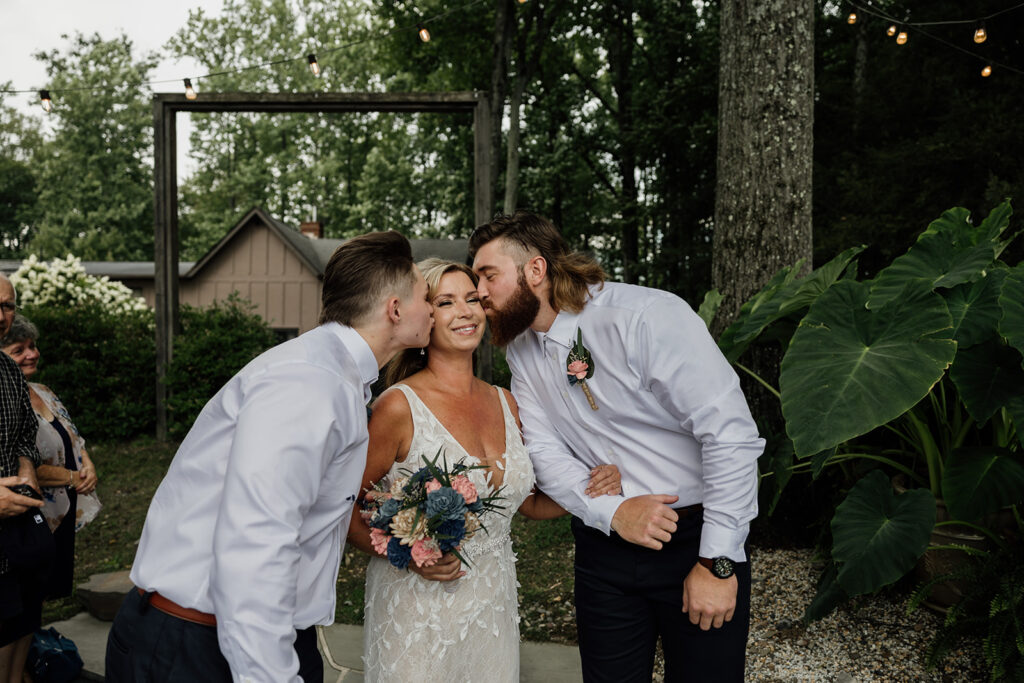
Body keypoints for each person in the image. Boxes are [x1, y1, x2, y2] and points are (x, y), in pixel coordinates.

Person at [105, 231, 435, 683]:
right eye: (426, 296)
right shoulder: (310, 384)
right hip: (198, 647)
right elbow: (256, 541)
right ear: (395, 309)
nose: (433, 309)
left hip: (248, 637)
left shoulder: (333, 374)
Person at [470, 211, 765, 682]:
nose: (479, 292)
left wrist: (718, 562)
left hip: (695, 541)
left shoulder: (645, 317)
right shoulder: (520, 349)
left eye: (488, 275)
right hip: (602, 550)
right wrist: (610, 511)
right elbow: (544, 452)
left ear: (535, 271)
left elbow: (730, 436)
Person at [348, 258, 621, 683]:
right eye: (446, 301)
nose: (466, 311)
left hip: (492, 611)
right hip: (418, 615)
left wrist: (590, 491)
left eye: (473, 299)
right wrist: (410, 556)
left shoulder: (508, 402)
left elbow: (528, 503)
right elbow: (343, 508)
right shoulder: (398, 407)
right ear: (425, 315)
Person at [1, 315, 101, 606]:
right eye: (19, 350)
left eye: (32, 346)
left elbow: (72, 436)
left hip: (64, 507)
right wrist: (73, 477)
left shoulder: (44, 391)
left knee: (42, 600)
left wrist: (88, 463)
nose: (32, 354)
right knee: (24, 600)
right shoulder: (7, 402)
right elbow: (20, 463)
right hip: (33, 514)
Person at [0, 275, 45, 683]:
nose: (1, 316)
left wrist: (27, 473)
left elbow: (25, 438)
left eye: (8, 305)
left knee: (15, 628)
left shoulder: (8, 373)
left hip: (12, 541)